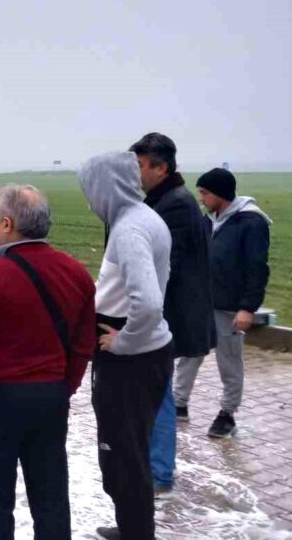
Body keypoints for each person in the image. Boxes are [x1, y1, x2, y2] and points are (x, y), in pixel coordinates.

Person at [0, 184, 95, 540]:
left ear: (6, 223)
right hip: (49, 399)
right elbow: (83, 343)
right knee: (50, 496)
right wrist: (65, 386)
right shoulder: (76, 273)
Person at [79, 152, 174, 540]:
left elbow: (148, 302)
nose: (89, 199)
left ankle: (137, 533)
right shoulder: (143, 217)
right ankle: (133, 527)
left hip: (130, 360)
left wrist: (123, 342)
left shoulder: (129, 230)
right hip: (146, 354)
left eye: (90, 189)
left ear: (106, 186)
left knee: (123, 453)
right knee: (130, 448)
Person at [129, 133, 215, 494]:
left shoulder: (175, 204)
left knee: (158, 391)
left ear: (161, 168)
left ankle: (159, 473)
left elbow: (166, 265)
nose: (136, 175)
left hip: (172, 317)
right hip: (169, 314)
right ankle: (157, 468)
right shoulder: (165, 198)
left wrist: (143, 311)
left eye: (140, 167)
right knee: (157, 390)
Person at [175, 168, 271, 439]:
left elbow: (257, 268)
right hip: (201, 302)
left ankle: (227, 414)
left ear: (220, 194)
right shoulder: (207, 221)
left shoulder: (252, 223)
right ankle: (178, 404)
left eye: (205, 193)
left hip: (231, 307)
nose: (201, 198)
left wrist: (247, 307)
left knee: (229, 361)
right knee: (189, 353)